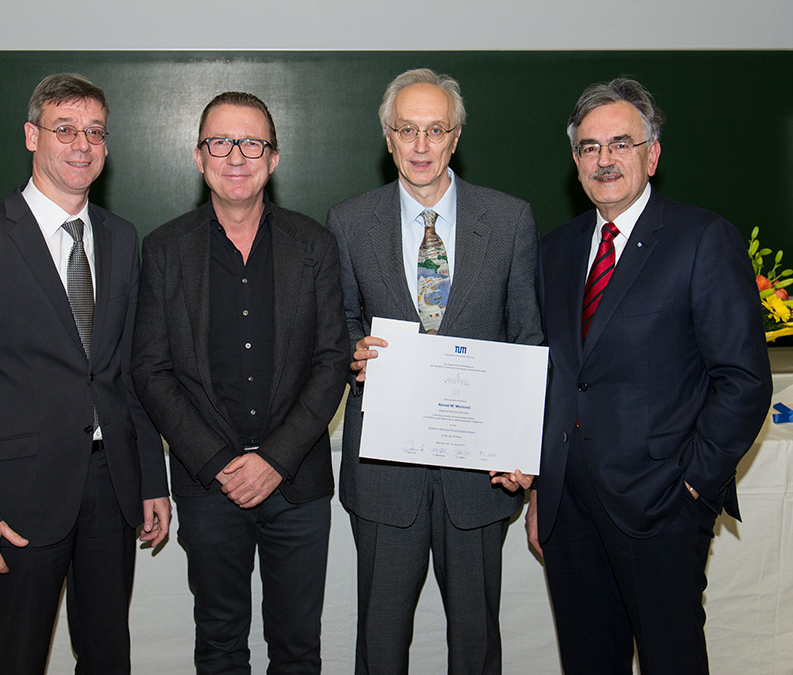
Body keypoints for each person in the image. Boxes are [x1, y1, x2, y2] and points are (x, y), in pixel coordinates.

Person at [0, 73, 170, 674]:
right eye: (65, 129)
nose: (81, 145)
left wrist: (149, 479)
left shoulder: (120, 238)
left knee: (109, 655)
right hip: (16, 498)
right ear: (32, 135)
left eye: (94, 132)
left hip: (110, 489)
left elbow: (125, 372)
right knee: (17, 659)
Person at [529, 77, 772, 674]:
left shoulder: (702, 239)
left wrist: (694, 487)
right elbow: (552, 375)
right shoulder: (553, 251)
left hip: (662, 507)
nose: (604, 159)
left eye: (620, 143)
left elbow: (743, 379)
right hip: (569, 512)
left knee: (671, 660)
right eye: (589, 147)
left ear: (652, 154)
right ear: (576, 161)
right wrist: (541, 487)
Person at [326, 68, 543, 675]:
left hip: (477, 478)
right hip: (385, 476)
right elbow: (336, 325)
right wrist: (353, 352)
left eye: (435, 130)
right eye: (407, 130)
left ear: (455, 139)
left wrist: (521, 446)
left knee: (475, 646)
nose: (420, 146)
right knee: (380, 644)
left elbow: (527, 338)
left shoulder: (509, 220)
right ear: (388, 139)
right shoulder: (349, 221)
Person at [132, 91, 350, 674]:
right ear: (199, 158)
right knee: (221, 645)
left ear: (273, 158)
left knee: (298, 647)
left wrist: (274, 460)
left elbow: (332, 361)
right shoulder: (163, 251)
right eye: (219, 142)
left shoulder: (315, 247)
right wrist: (218, 461)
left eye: (251, 142)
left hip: (297, 482)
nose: (236, 155)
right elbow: (150, 370)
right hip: (210, 487)